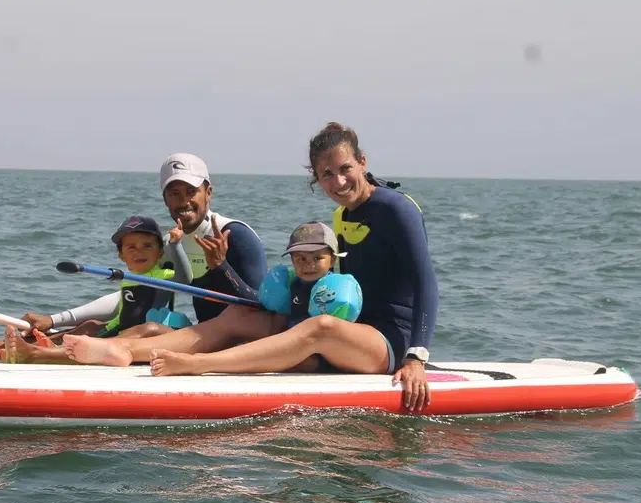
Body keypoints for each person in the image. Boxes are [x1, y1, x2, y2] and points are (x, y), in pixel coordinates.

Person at [63, 122, 440, 411]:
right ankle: (129, 352)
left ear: (362, 162)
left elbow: (426, 283)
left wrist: (415, 358)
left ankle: (199, 365)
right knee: (237, 316)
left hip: (389, 343)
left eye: (344, 168)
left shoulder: (396, 208)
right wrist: (224, 268)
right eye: (326, 174)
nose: (338, 181)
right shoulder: (342, 216)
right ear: (315, 177)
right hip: (352, 334)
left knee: (320, 326)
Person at [22, 153, 268, 332]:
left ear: (209, 193)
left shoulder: (236, 236)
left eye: (191, 192)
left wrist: (221, 267)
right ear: (165, 199)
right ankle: (4, 347)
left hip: (238, 342)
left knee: (143, 332)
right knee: (91, 326)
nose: (184, 202)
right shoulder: (170, 246)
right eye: (174, 194)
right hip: (202, 335)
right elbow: (133, 295)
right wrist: (56, 319)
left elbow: (261, 308)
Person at [0, 216, 190, 361]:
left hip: (141, 337)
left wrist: (176, 246)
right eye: (131, 247)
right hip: (117, 332)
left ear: (159, 252)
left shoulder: (162, 274)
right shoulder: (128, 278)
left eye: (147, 246)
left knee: (97, 332)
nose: (139, 252)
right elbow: (120, 311)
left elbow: (184, 277)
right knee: (89, 326)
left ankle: (14, 351)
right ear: (121, 255)